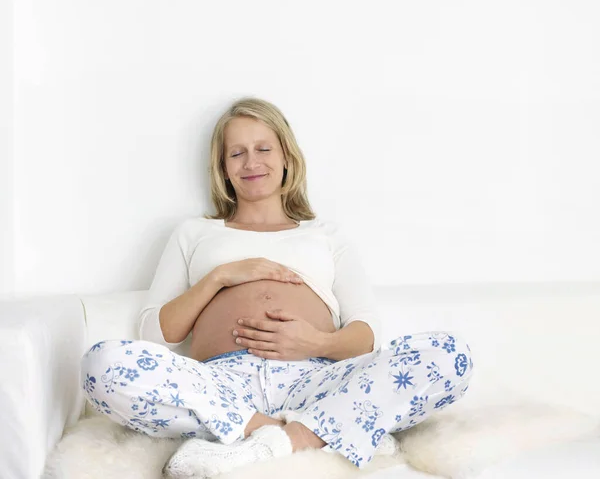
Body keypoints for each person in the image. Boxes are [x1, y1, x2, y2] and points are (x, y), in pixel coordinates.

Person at [80, 97, 474, 478]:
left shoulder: (326, 236)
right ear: (223, 168)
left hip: (315, 382)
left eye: (263, 148)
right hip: (220, 387)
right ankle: (325, 432)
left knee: (450, 356)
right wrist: (220, 277)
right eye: (237, 153)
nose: (251, 162)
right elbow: (156, 333)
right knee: (101, 366)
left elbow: (367, 335)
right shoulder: (194, 233)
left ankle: (273, 442)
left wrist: (315, 343)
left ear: (286, 156)